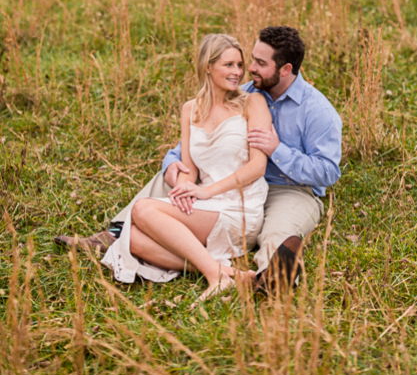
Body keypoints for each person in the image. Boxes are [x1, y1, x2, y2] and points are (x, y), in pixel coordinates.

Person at [57, 25, 342, 293]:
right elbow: (197, 144)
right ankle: (117, 234)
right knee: (168, 178)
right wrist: (172, 166)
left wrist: (277, 149)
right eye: (250, 60)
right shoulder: (244, 92)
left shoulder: (317, 110)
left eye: (259, 63)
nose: (249, 69)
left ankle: (269, 276)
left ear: (286, 69)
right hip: (229, 181)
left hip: (287, 187)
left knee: (277, 232)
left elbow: (328, 172)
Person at [101, 34, 269, 300]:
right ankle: (224, 271)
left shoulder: (252, 103)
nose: (237, 72)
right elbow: (190, 170)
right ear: (207, 66)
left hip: (240, 206)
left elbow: (258, 167)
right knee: (130, 237)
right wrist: (183, 189)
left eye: (239, 64)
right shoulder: (190, 109)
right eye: (228, 65)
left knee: (142, 208)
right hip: (206, 203)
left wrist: (206, 192)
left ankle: (215, 277)